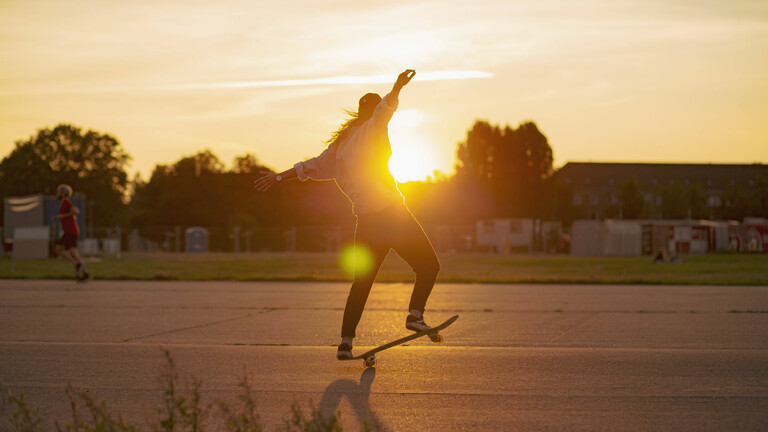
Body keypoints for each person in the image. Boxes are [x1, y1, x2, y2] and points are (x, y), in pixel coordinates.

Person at [254, 69, 441, 360]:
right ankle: (415, 315)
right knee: (429, 266)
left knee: (361, 283)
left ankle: (345, 343)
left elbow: (308, 167)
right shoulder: (373, 127)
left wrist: (278, 178)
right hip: (393, 216)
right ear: (371, 111)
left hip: (366, 223)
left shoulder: (338, 148)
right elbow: (385, 108)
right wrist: (397, 87)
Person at [52, 184, 90, 281]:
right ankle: (86, 274)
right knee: (74, 253)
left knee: (58, 249)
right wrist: (60, 217)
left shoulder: (66, 202)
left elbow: (76, 211)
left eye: (59, 192)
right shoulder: (64, 203)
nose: (58, 194)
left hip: (70, 231)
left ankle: (77, 265)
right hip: (71, 231)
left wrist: (62, 216)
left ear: (64, 194)